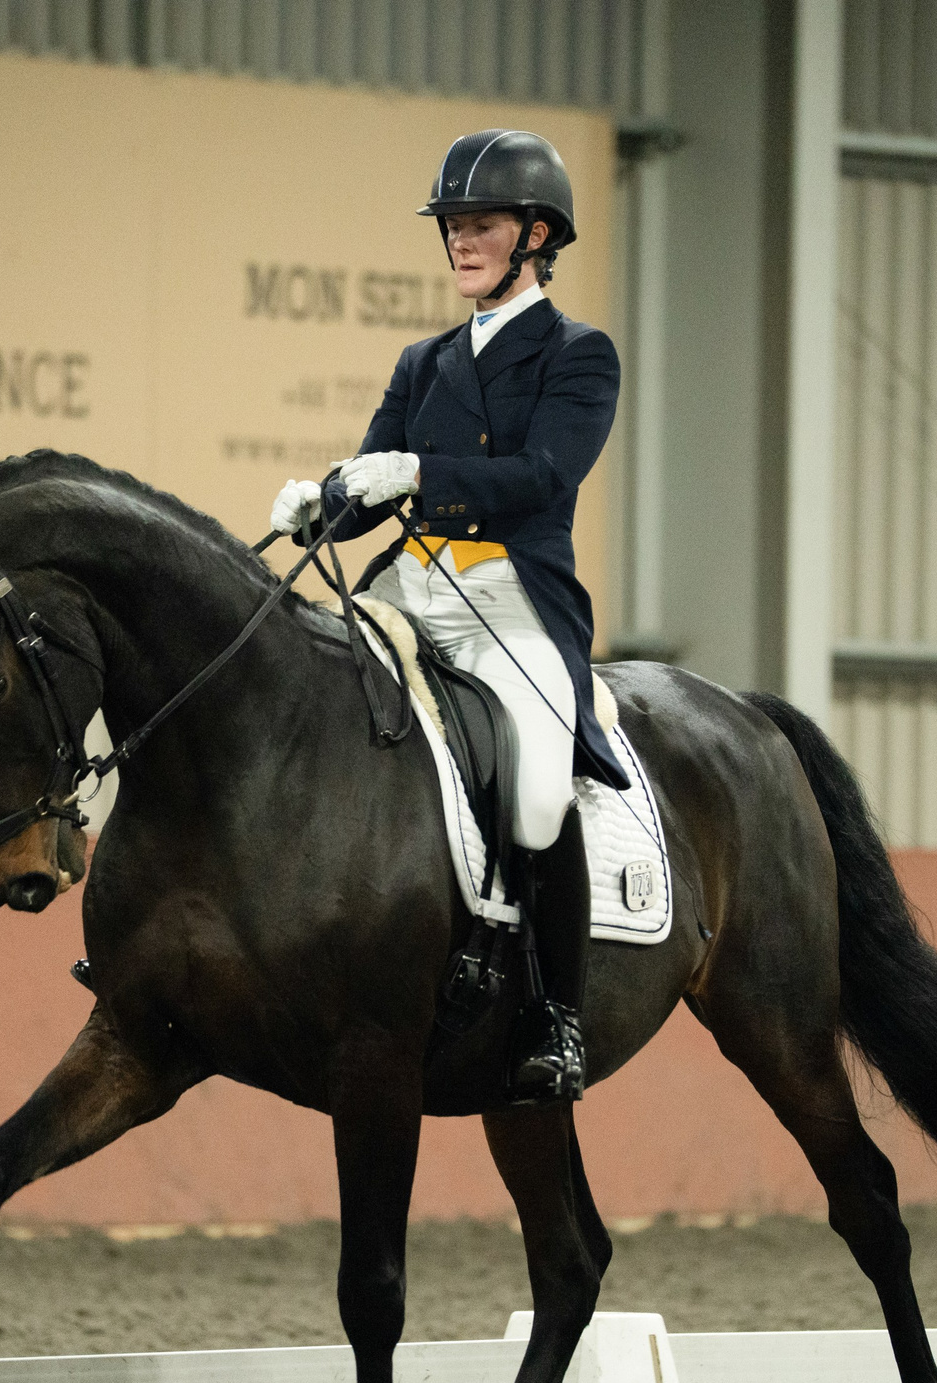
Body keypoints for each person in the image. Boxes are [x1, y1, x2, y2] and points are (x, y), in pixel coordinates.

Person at [270, 128, 625, 1103]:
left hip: (510, 598)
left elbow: (543, 475)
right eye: (453, 227)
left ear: (537, 233)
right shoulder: (422, 363)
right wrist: (323, 503)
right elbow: (367, 485)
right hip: (408, 589)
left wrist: (421, 472)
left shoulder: (577, 357)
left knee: (541, 782)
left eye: (482, 225)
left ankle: (556, 1016)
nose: (461, 242)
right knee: (295, 697)